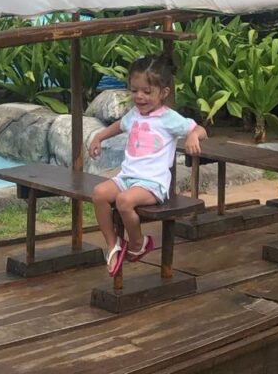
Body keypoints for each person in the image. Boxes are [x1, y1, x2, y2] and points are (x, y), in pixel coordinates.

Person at [88, 53, 206, 275]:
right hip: (127, 177)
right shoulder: (134, 114)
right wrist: (99, 137)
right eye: (134, 91)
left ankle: (138, 243)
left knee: (124, 201)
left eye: (147, 92)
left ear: (164, 92)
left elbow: (200, 130)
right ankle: (112, 244)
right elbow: (119, 125)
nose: (139, 97)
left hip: (152, 183)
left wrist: (192, 136)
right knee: (99, 194)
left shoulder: (169, 118)